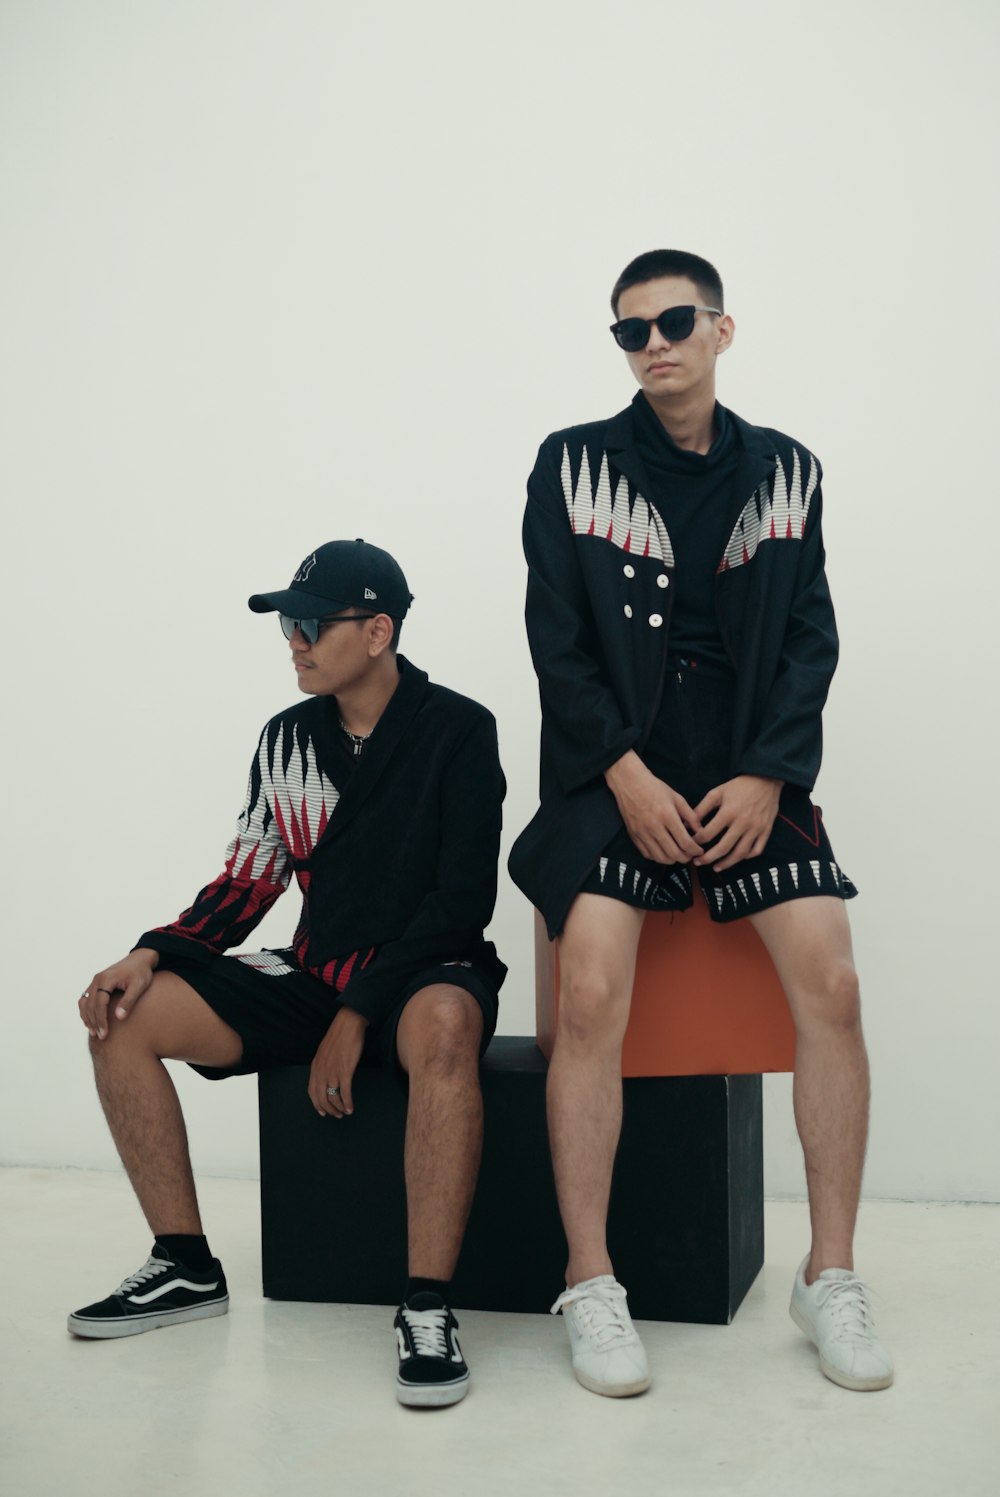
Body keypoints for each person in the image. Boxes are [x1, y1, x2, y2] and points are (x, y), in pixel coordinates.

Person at [510, 249, 893, 1397]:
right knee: (586, 996)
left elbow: (811, 641)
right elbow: (557, 643)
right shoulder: (570, 465)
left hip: (746, 777)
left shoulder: (789, 472)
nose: (654, 344)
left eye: (675, 322)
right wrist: (620, 774)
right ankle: (590, 1280)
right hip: (612, 775)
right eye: (630, 331)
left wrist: (771, 776)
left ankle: (828, 1274)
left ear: (723, 330)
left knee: (832, 985)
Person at [72, 538, 506, 1409]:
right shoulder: (286, 741)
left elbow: (461, 902)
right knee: (125, 1013)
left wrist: (359, 1009)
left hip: (425, 970)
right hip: (315, 971)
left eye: (312, 623)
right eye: (287, 626)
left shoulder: (458, 729)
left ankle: (425, 1302)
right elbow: (248, 880)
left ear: (378, 630)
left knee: (449, 1027)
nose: (295, 642)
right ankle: (186, 1264)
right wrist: (151, 950)